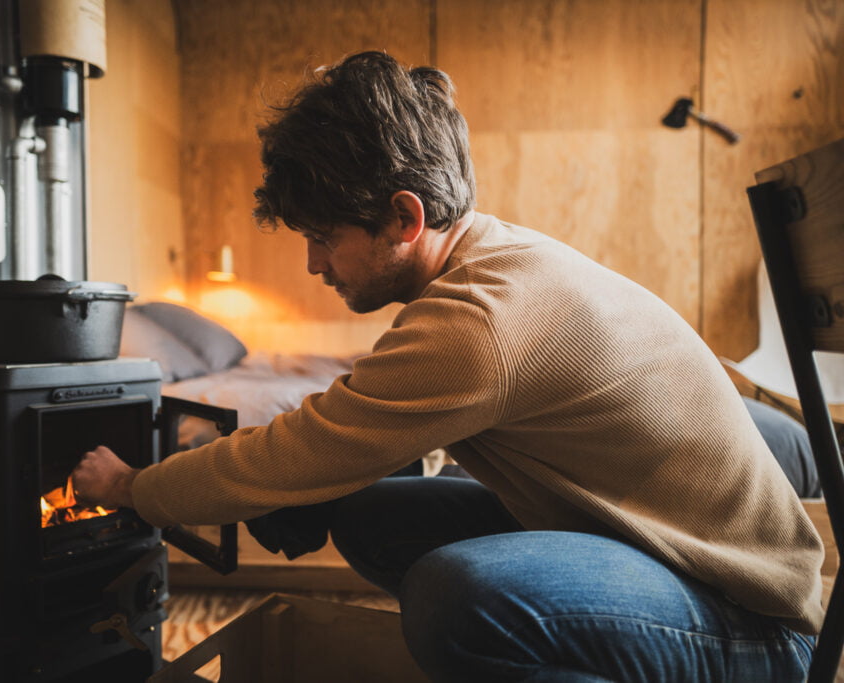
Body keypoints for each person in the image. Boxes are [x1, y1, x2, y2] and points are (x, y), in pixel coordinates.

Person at [73, 51, 822, 681]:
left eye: (324, 237)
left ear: (405, 217)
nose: (313, 263)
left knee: (454, 596)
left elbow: (301, 446)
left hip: (750, 620)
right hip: (644, 540)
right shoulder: (494, 259)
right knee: (372, 517)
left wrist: (135, 487)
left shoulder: (479, 320)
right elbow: (384, 426)